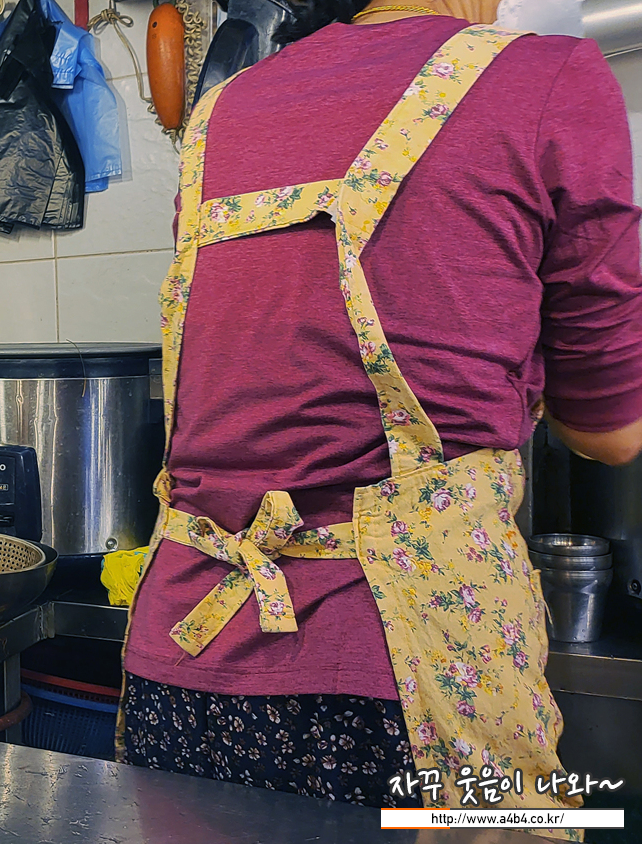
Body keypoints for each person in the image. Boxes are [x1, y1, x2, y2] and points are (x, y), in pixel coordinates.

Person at [119, 0, 642, 831]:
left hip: (183, 664)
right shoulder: (547, 75)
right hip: (412, 681)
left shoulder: (222, 109)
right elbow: (609, 433)